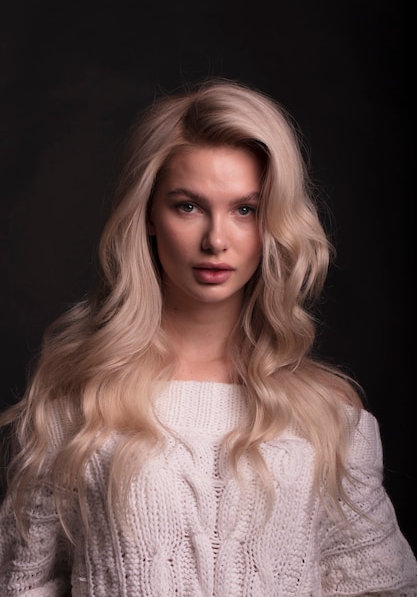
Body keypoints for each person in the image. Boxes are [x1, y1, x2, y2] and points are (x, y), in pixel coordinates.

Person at [0, 78, 416, 597]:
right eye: (188, 206)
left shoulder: (326, 416)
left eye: (245, 209)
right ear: (149, 214)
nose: (216, 239)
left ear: (273, 222)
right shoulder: (77, 404)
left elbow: (379, 586)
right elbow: (23, 585)